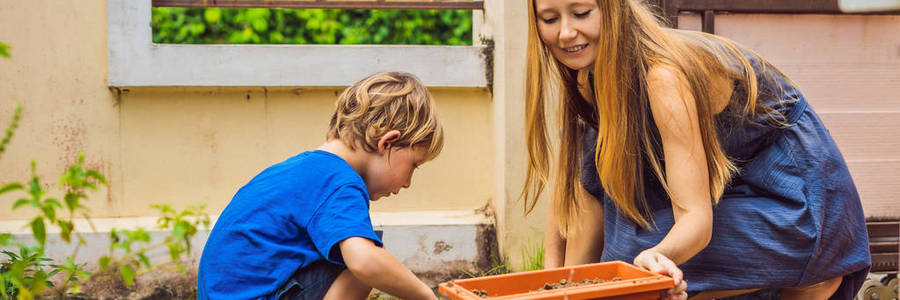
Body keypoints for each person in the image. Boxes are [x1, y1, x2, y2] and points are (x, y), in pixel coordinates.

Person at [521, 0, 871, 299]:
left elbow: (695, 220)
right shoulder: (588, 73)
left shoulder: (663, 77)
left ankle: (811, 275)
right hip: (727, 184)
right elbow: (576, 189)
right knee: (614, 231)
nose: (565, 32)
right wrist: (552, 284)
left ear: (613, 9)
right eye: (550, 19)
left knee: (629, 257)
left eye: (581, 13)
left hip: (796, 198)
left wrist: (657, 258)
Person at [197, 72, 443, 300]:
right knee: (365, 256)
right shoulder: (339, 182)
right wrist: (426, 295)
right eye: (414, 165)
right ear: (388, 142)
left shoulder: (302, 170)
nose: (408, 183)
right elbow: (364, 262)